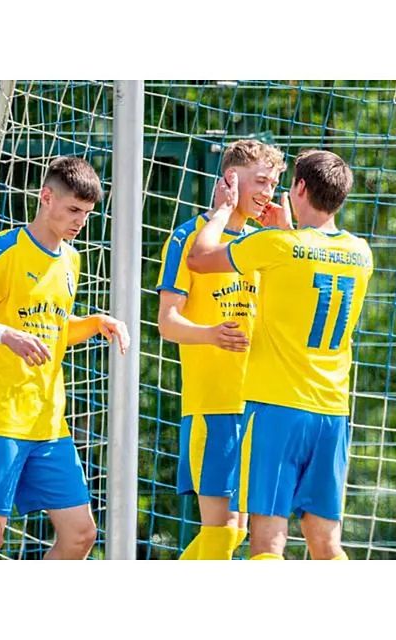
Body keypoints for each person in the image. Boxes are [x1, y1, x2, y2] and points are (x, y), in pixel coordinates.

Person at [0, 156, 129, 560]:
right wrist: (3, 334)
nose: (81, 221)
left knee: (81, 534)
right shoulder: (5, 249)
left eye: (88, 213)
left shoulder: (72, 260)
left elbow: (49, 331)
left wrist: (93, 323)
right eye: (74, 210)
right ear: (46, 197)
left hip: (47, 425)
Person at [187, 149, 373, 560]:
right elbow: (310, 261)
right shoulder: (361, 253)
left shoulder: (275, 245)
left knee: (268, 541)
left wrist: (221, 212)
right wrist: (289, 230)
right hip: (333, 411)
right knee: (326, 542)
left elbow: (199, 259)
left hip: (277, 409)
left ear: (300, 188)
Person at [156, 139, 289, 560]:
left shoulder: (263, 243)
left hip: (261, 404)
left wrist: (286, 233)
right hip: (213, 405)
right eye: (261, 181)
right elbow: (167, 323)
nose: (268, 191)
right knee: (224, 532)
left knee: (252, 534)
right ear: (230, 179)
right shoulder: (189, 237)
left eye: (275, 183)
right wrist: (212, 333)